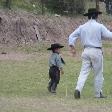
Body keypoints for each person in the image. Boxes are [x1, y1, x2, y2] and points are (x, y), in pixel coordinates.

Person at [68, 8, 112, 99]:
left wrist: (72, 46)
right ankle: (97, 94)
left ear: (88, 16)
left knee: (83, 72)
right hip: (96, 51)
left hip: (86, 51)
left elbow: (71, 36)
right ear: (96, 15)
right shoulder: (99, 26)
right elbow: (109, 36)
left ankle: (78, 89)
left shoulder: (82, 27)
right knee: (98, 73)